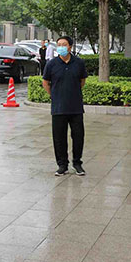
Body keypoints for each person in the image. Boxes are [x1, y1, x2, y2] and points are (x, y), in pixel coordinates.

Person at [42, 36, 87, 176]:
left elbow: (82, 81)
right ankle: (62, 165)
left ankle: (77, 163)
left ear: (70, 47)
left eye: (64, 44)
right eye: (59, 44)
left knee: (78, 136)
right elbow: (45, 82)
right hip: (58, 107)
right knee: (59, 138)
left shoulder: (79, 63)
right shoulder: (51, 64)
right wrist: (54, 95)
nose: (61, 47)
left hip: (75, 107)